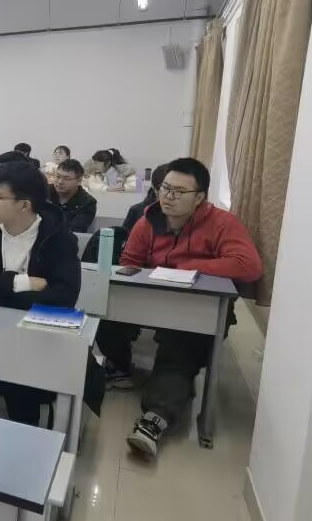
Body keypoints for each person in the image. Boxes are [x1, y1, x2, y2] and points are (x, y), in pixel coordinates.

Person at [97, 158, 262, 458]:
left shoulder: (222, 223)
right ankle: (120, 367)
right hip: (152, 296)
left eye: (179, 192)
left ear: (200, 197)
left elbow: (247, 265)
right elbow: (130, 262)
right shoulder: (148, 220)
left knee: (179, 348)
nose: (168, 196)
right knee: (106, 313)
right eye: (165, 188)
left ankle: (154, 419)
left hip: (200, 305)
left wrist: (186, 267)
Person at [0, 162, 80, 425]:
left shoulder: (58, 238)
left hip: (33, 341)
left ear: (24, 205)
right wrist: (20, 283)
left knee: (23, 401)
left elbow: (63, 299)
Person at [49, 159, 98, 233]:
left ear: (79, 181)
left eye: (66, 178)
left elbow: (75, 231)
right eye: (58, 176)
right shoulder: (44, 192)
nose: (60, 182)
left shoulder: (87, 203)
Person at [122, 163, 169, 234]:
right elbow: (125, 238)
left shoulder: (183, 213)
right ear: (154, 188)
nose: (170, 195)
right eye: (166, 188)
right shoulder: (137, 211)